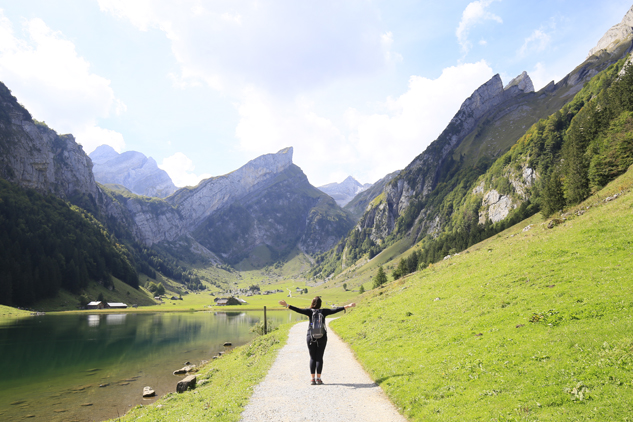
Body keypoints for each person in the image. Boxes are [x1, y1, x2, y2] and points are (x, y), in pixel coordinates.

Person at [279, 296, 356, 385]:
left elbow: (298, 310)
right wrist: (348, 306)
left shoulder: (309, 311)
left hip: (311, 336)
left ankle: (312, 379)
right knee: (319, 357)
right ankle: (318, 379)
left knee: (312, 357)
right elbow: (336, 310)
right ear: (320, 304)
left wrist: (287, 305)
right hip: (322, 336)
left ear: (312, 303)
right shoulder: (324, 311)